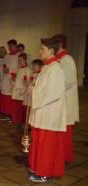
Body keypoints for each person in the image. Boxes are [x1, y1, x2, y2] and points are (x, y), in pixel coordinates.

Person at [28, 38, 67, 183]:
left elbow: (52, 93)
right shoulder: (46, 68)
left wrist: (33, 91)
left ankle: (45, 172)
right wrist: (33, 88)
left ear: (51, 51)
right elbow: (42, 89)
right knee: (39, 142)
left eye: (42, 49)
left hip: (49, 114)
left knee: (47, 146)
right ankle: (37, 168)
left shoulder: (56, 69)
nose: (39, 51)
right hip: (42, 112)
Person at [52, 34, 79, 163]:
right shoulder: (58, 59)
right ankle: (59, 156)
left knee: (64, 132)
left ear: (60, 44)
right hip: (59, 101)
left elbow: (69, 81)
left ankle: (63, 157)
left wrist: (52, 90)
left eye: (53, 44)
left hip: (66, 102)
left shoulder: (66, 59)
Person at [0, 39, 19, 121]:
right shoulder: (6, 56)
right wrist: (2, 69)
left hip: (12, 79)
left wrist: (10, 70)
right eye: (9, 46)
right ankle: (5, 113)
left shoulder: (19, 56)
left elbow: (19, 68)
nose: (10, 48)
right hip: (5, 78)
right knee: (5, 96)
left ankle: (10, 114)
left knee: (10, 97)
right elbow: (3, 65)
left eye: (11, 46)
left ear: (15, 46)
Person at [11, 53, 31, 125]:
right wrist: (13, 79)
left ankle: (21, 122)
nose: (19, 62)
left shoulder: (27, 70)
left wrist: (23, 90)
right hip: (16, 91)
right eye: (18, 60)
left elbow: (28, 83)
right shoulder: (18, 69)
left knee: (21, 108)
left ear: (25, 60)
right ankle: (16, 120)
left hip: (22, 92)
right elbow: (16, 80)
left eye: (20, 60)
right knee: (16, 107)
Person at [22, 59, 43, 123]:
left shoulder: (41, 75)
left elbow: (38, 86)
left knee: (32, 111)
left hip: (34, 96)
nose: (33, 67)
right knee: (27, 110)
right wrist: (26, 83)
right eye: (33, 65)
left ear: (40, 67)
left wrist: (31, 85)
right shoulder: (31, 73)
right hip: (29, 95)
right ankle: (26, 123)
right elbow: (29, 84)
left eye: (35, 65)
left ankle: (31, 124)